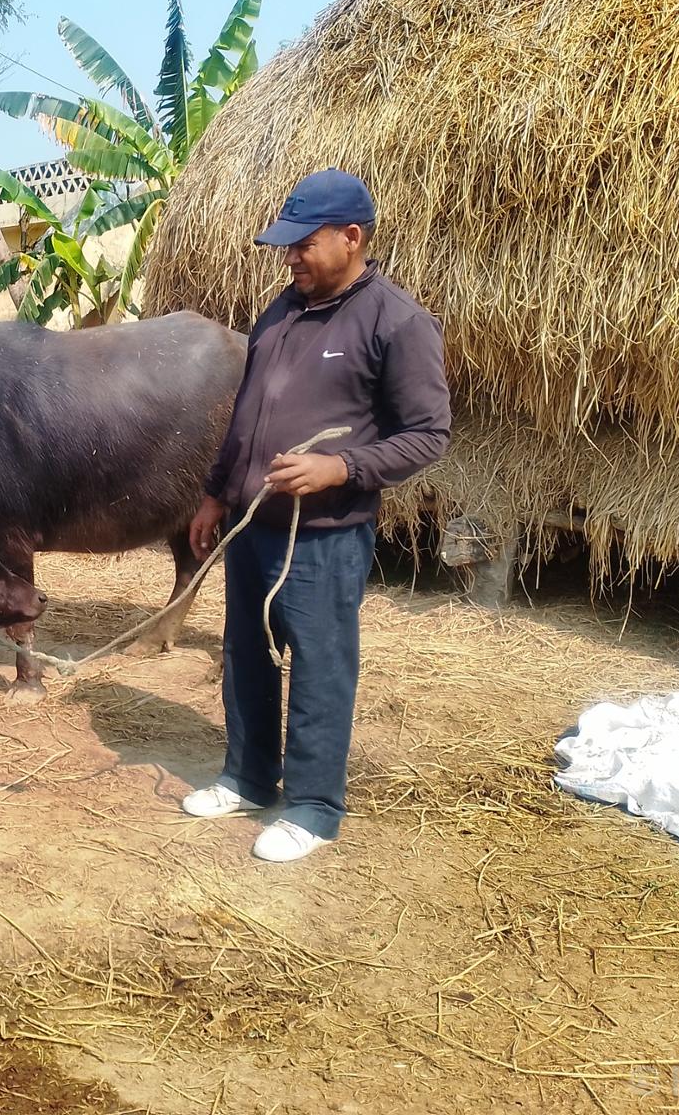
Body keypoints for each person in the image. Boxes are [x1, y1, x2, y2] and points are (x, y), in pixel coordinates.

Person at [183, 169, 451, 861]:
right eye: (286, 246)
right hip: (253, 527)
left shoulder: (398, 322)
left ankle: (312, 806)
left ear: (352, 237)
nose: (291, 258)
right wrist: (217, 491)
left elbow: (429, 434)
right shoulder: (280, 311)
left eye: (304, 245)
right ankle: (247, 776)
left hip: (324, 538)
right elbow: (246, 416)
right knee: (244, 656)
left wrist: (343, 468)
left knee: (320, 666)